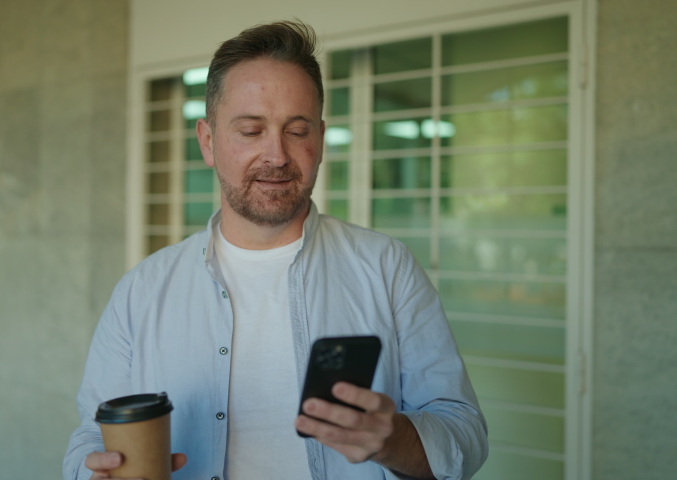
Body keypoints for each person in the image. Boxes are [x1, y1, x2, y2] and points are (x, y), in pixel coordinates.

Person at [64, 21, 487, 480]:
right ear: (208, 141)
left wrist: (396, 439)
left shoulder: (387, 268)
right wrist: (96, 474)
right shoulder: (141, 290)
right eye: (250, 130)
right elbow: (90, 437)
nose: (277, 155)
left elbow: (465, 432)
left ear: (321, 140)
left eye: (297, 130)